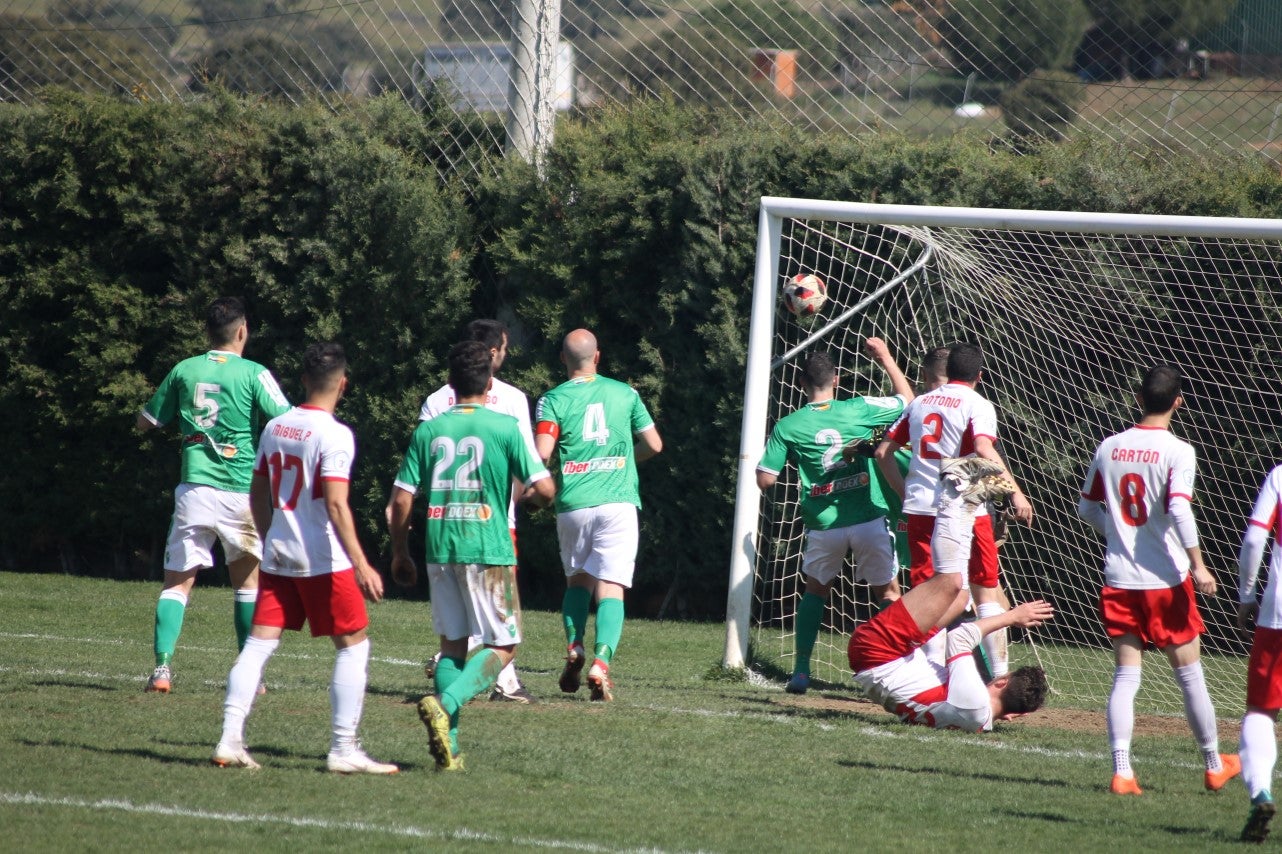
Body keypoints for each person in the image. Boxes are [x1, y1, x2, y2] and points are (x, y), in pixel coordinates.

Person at [212, 342, 396, 774]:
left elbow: (258, 491)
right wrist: (363, 563)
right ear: (343, 384)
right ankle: (343, 748)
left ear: (303, 381)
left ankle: (229, 739)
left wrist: (269, 533)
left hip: (278, 554)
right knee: (353, 647)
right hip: (323, 559)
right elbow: (335, 505)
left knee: (257, 647)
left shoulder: (276, 426)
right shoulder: (335, 434)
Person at [389, 341, 554, 770]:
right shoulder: (504, 426)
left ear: (450, 382)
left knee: (452, 649)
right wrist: (532, 502)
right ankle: (445, 705)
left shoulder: (429, 429)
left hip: (439, 547)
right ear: (489, 382)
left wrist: (400, 551)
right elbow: (545, 486)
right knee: (504, 644)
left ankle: (452, 750)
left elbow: (402, 500)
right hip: (487, 546)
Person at [1077, 364, 1239, 796]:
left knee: (1126, 676)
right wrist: (1199, 565)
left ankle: (1122, 770)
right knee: (1190, 676)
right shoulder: (1179, 450)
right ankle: (1212, 764)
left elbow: (1086, 508)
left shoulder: (1109, 446)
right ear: (1178, 402)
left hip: (1120, 578)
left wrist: (1116, 536)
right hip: (1166, 581)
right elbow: (1181, 509)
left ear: (1137, 399)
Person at [137, 296, 291, 693]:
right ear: (243, 331)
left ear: (208, 332)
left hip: (194, 489)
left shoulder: (184, 369)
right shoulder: (254, 373)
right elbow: (286, 419)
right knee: (247, 586)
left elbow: (147, 421)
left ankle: (162, 670)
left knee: (177, 584)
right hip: (240, 492)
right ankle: (248, 674)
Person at [756, 339, 914, 694]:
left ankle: (800, 672)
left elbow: (766, 479)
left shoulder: (788, 425)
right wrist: (886, 358)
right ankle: (891, 672)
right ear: (837, 380)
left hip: (824, 524)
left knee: (815, 591)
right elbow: (907, 399)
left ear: (801, 384)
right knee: (887, 592)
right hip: (868, 518)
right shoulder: (858, 409)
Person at [874, 341, 1033, 678]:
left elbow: (883, 453)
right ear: (979, 374)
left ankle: (932, 674)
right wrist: (1016, 493)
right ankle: (1000, 677)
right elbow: (983, 448)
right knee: (984, 585)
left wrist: (907, 494)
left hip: (922, 509)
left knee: (928, 592)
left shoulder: (918, 405)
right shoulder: (978, 403)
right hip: (965, 508)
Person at [407, 319, 537, 704]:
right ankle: (502, 683)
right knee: (503, 626)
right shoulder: (512, 400)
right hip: (491, 524)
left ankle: (454, 700)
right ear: (494, 352)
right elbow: (525, 465)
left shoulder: (435, 401)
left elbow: (422, 462)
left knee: (455, 636)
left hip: (442, 526)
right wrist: (512, 500)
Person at [534, 329, 663, 702]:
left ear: (563, 359)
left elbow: (543, 453)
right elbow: (654, 444)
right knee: (611, 588)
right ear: (598, 357)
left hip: (574, 504)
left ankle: (575, 646)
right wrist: (624, 462)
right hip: (617, 502)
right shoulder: (626, 393)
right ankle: (601, 662)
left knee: (578, 583)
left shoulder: (551, 399)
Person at [848, 552, 1053, 732]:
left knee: (952, 581)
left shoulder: (974, 700)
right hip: (885, 661)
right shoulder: (981, 721)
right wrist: (1002, 710)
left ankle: (954, 509)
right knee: (959, 600)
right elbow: (984, 705)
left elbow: (958, 638)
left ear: (1001, 682)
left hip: (878, 651)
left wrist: (1011, 617)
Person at [1235, 462, 1282, 840]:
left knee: (1261, 711)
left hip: (1277, 616)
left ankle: (1261, 791)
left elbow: (1254, 540)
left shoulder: (1279, 476)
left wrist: (1247, 595)